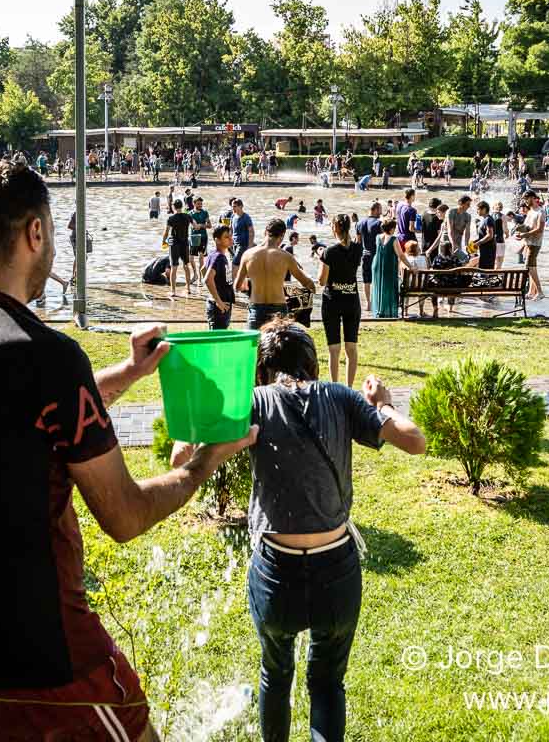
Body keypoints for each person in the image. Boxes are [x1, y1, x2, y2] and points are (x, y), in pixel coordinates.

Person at [0, 160, 255, 741]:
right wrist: (202, 463)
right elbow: (125, 514)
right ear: (35, 233)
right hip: (45, 669)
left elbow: (21, 418)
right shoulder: (46, 356)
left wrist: (129, 374)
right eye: (54, 231)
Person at [168, 318, 424, 742]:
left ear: (261, 370)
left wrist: (213, 400)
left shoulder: (251, 401)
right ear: (313, 366)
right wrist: (385, 403)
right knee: (326, 684)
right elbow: (415, 440)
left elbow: (180, 458)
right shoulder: (341, 397)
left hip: (276, 575)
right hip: (337, 572)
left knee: (275, 674)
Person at [234, 219, 316, 330]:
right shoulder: (286, 256)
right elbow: (305, 282)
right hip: (279, 309)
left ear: (265, 232)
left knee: (254, 345)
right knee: (279, 345)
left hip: (256, 307)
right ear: (282, 235)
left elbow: (237, 286)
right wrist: (313, 288)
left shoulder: (248, 255)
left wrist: (251, 282)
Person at [318, 215, 363, 387]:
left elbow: (322, 281)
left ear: (335, 228)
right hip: (352, 300)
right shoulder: (358, 248)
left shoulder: (329, 252)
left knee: (334, 349)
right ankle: (349, 388)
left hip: (332, 302)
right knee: (351, 347)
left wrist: (319, 259)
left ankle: (335, 386)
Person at [513, 191, 545, 301]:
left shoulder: (541, 212)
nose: (525, 202)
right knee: (531, 268)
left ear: (532, 198)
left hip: (535, 243)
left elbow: (539, 230)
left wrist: (524, 234)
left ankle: (540, 292)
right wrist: (519, 229)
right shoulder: (531, 211)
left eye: (526, 199)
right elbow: (527, 226)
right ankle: (531, 292)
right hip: (528, 242)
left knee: (530, 267)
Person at [371, 218, 406, 318]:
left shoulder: (378, 237)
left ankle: (379, 311)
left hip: (377, 265)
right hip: (389, 265)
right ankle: (389, 312)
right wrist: (410, 266)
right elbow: (401, 255)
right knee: (389, 288)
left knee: (379, 287)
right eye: (394, 228)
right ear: (391, 229)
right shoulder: (394, 239)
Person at [204, 226, 235, 330]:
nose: (230, 239)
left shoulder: (213, 254)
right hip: (219, 308)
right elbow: (208, 279)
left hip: (217, 305)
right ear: (217, 240)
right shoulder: (218, 257)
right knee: (217, 341)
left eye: (230, 236)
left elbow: (202, 270)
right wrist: (218, 301)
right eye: (226, 237)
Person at [355, 202, 383, 313]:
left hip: (365, 255)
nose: (381, 212)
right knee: (377, 279)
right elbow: (383, 241)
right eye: (380, 210)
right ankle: (377, 302)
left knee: (366, 280)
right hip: (376, 255)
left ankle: (368, 303)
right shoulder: (379, 223)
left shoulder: (359, 223)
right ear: (375, 210)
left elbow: (358, 241)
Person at [164, 203, 194, 298]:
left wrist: (163, 241)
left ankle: (173, 291)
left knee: (174, 267)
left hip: (174, 244)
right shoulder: (188, 216)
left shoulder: (171, 218)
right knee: (186, 266)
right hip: (185, 243)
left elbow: (166, 232)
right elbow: (195, 226)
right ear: (182, 206)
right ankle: (188, 289)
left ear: (173, 207)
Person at [471, 201, 497, 271]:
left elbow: (490, 235)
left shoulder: (488, 219)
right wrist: (476, 241)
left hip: (489, 249)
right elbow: (483, 235)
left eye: (478, 209)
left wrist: (478, 243)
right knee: (482, 267)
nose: (477, 211)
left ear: (484, 209)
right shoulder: (484, 219)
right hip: (484, 248)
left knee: (486, 269)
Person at [188, 196, 210, 275]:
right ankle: (195, 274)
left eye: (201, 204)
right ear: (194, 204)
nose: (200, 205)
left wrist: (201, 225)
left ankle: (201, 278)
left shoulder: (205, 212)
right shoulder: (190, 213)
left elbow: (209, 225)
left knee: (201, 257)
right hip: (193, 237)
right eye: (198, 204)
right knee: (190, 258)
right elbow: (190, 225)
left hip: (203, 237)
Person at [230, 198, 255, 271]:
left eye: (234, 206)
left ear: (241, 206)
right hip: (234, 244)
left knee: (234, 263)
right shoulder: (233, 216)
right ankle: (242, 281)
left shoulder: (246, 217)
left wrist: (250, 246)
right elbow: (231, 230)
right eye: (232, 206)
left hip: (243, 245)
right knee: (241, 264)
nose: (233, 208)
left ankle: (234, 281)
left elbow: (251, 232)